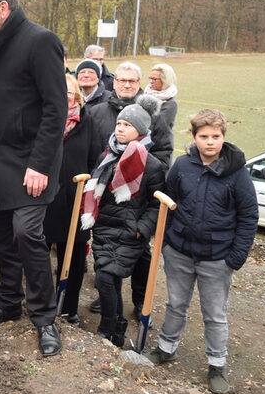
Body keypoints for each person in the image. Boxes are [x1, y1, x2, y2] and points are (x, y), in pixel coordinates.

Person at [0, 0, 67, 358]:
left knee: (28, 234)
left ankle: (44, 318)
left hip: (31, 162)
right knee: (3, 237)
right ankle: (8, 303)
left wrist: (40, 164)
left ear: (2, 8)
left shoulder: (40, 41)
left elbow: (56, 108)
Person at [146, 109, 258, 394]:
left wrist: (235, 258)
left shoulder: (237, 174)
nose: (210, 142)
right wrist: (168, 243)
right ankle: (166, 348)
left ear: (223, 137)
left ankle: (217, 365)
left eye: (216, 137)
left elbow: (248, 216)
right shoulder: (183, 166)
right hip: (180, 252)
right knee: (175, 304)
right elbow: (169, 202)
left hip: (217, 258)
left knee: (214, 314)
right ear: (194, 137)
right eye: (204, 136)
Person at [87, 61, 174, 319]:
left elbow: (164, 150)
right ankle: (108, 300)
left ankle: (139, 301)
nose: (126, 84)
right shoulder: (99, 112)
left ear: (139, 84)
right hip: (108, 198)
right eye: (122, 80)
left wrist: (144, 174)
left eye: (132, 81)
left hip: (138, 199)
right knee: (107, 258)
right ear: (113, 82)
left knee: (140, 257)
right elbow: (93, 150)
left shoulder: (154, 115)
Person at [81, 95, 167, 346]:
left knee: (105, 278)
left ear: (139, 130)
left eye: (127, 125)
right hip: (105, 228)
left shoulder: (151, 165)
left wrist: (141, 230)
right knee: (109, 278)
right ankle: (117, 327)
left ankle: (108, 327)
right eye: (119, 123)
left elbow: (155, 205)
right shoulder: (106, 156)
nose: (120, 128)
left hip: (129, 234)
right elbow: (94, 190)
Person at [42, 73, 101, 324]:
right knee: (38, 255)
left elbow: (95, 159)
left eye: (67, 92)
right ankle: (42, 304)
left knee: (75, 258)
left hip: (74, 201)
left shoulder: (88, 123)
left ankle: (69, 307)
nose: (61, 96)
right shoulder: (42, 119)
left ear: (77, 96)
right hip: (44, 200)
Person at [144, 63, 178, 131]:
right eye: (150, 78)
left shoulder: (170, 104)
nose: (151, 81)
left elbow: (159, 127)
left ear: (164, 80)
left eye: (154, 79)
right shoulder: (145, 94)